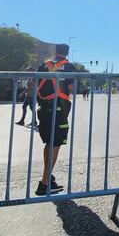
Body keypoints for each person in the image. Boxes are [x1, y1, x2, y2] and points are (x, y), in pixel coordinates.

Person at [35, 43, 76, 196]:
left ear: (55, 51)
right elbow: (71, 88)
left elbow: (37, 81)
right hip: (58, 109)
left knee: (49, 143)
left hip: (43, 108)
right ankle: (44, 184)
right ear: (67, 53)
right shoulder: (68, 66)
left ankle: (48, 176)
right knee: (56, 143)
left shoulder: (44, 65)